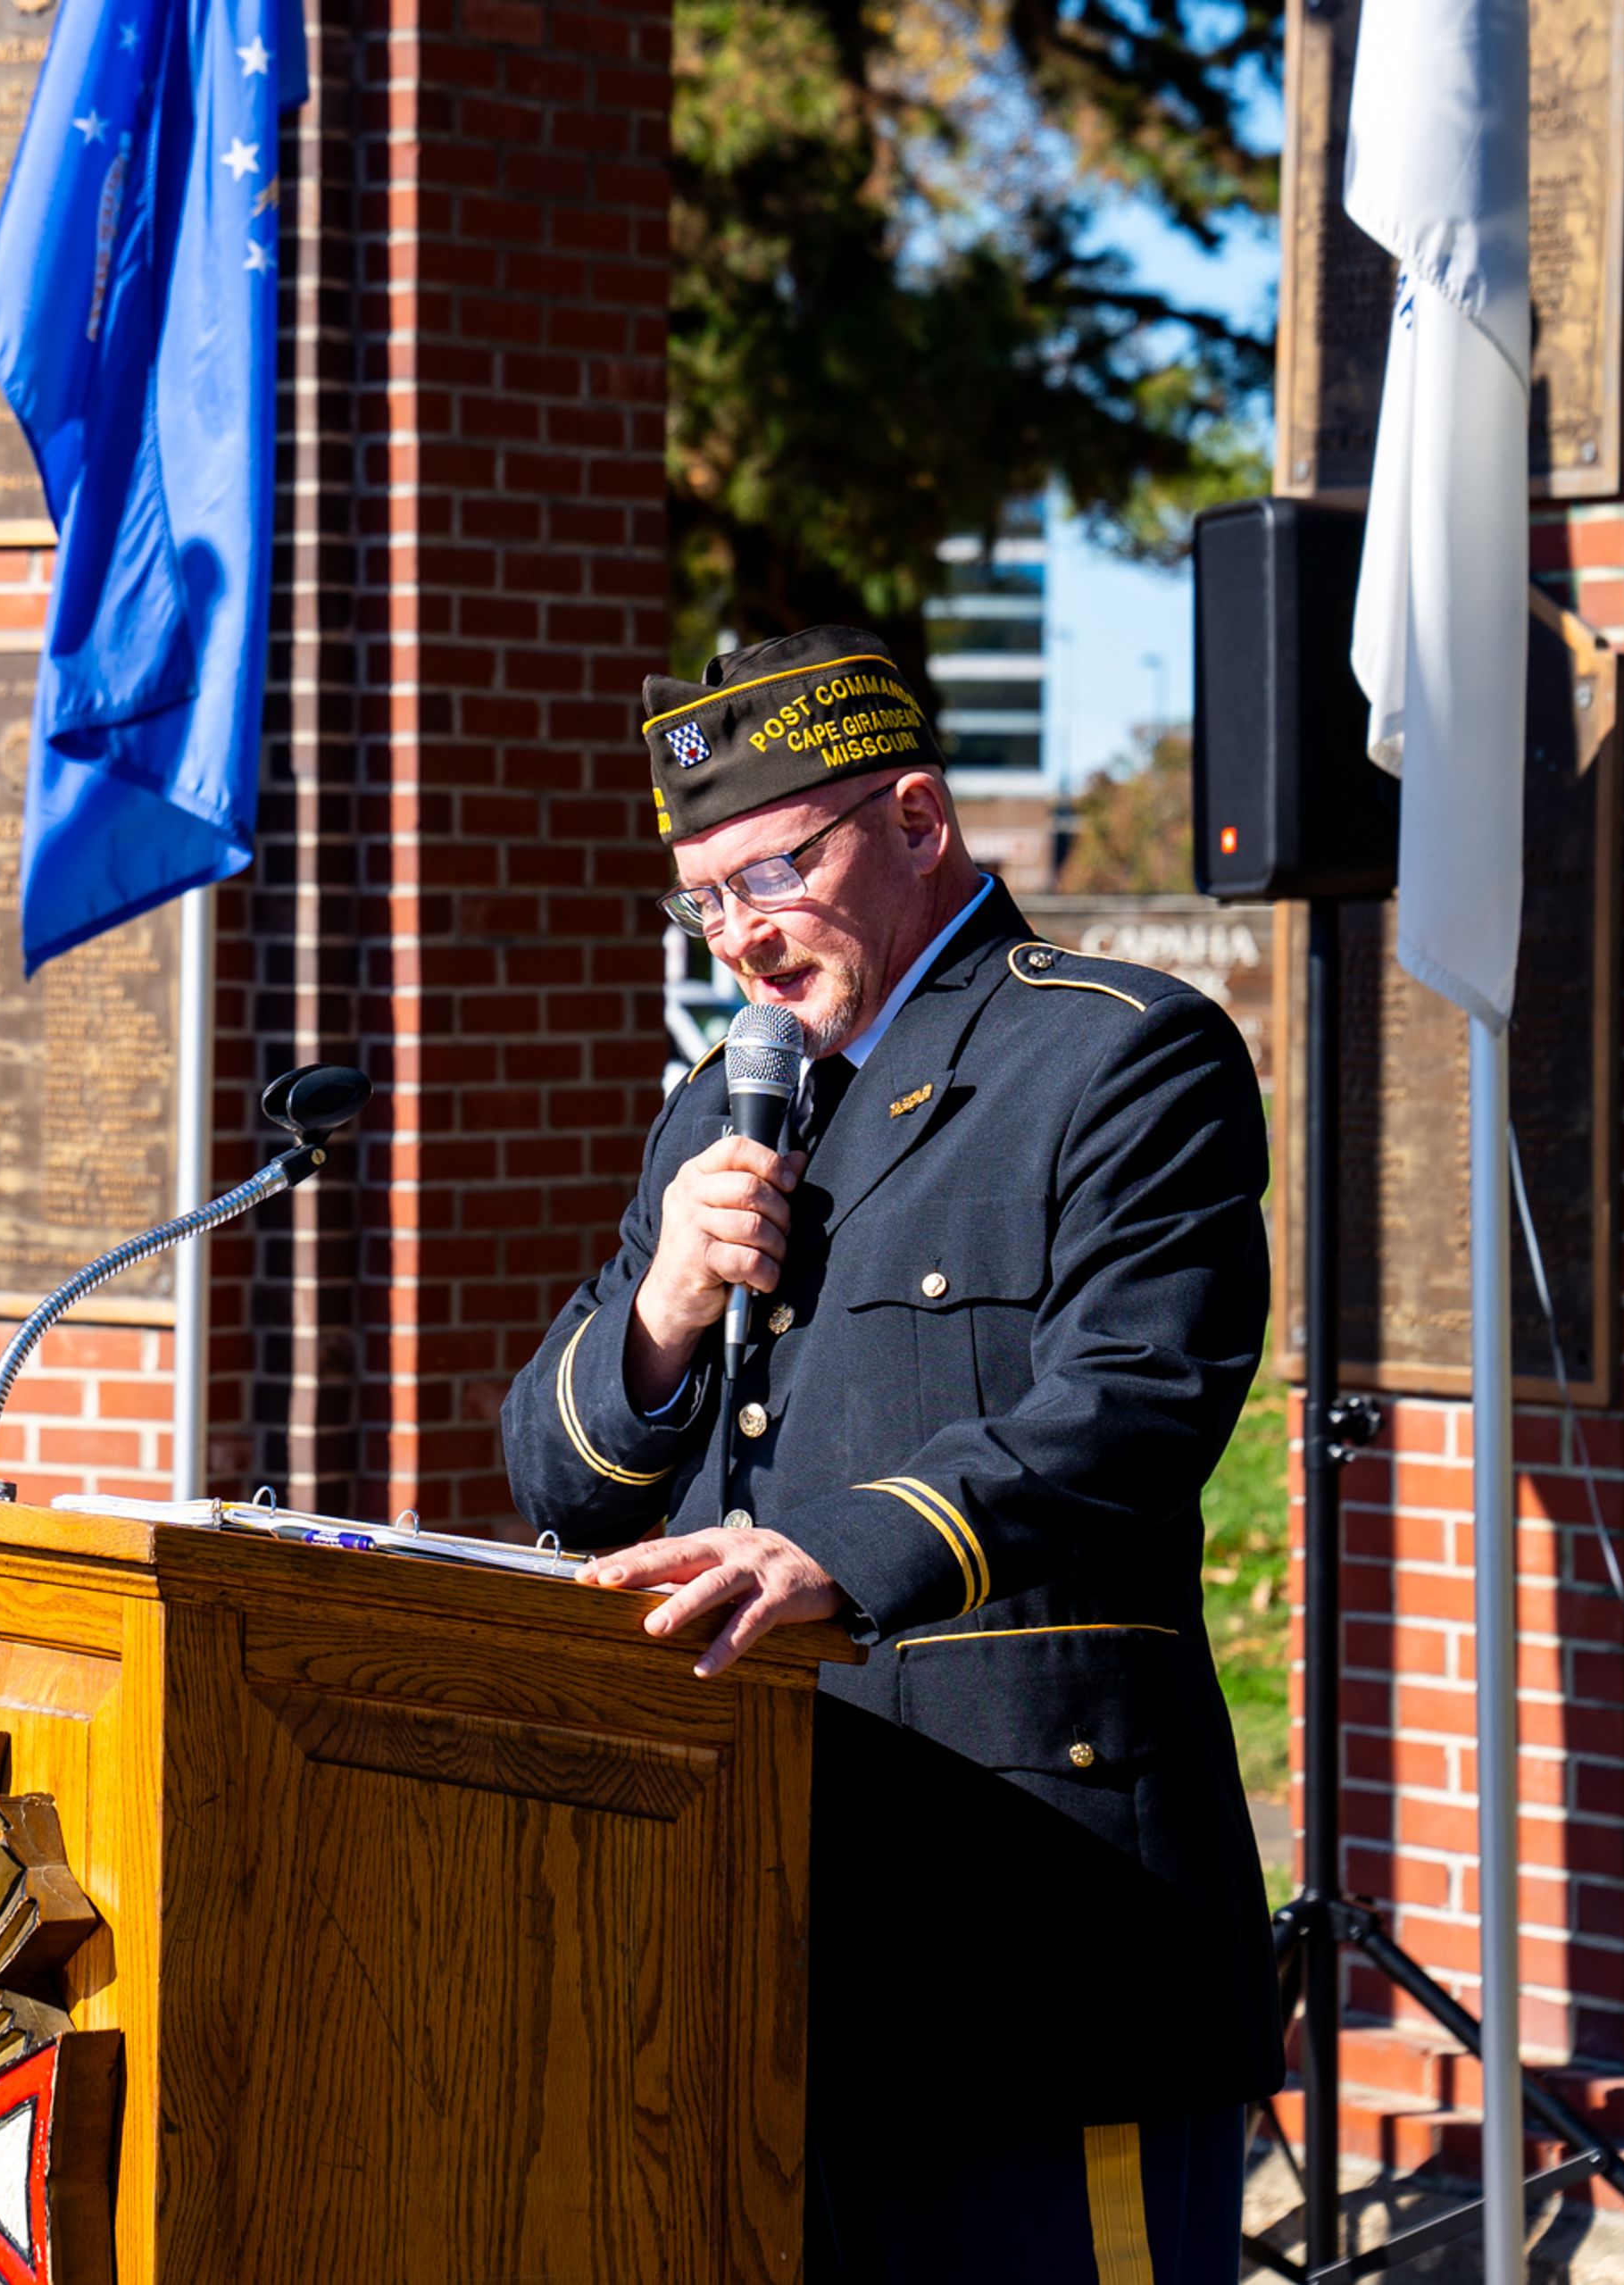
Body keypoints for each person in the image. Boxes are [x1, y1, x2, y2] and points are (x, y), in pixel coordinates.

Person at [499, 626, 1279, 2285]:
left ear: (919, 821)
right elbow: (564, 1481)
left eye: (776, 868)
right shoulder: (721, 1102)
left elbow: (1136, 1399)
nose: (740, 934)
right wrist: (663, 1296)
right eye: (703, 898)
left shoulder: (1116, 1054)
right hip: (752, 1934)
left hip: (1035, 1932)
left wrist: (836, 1554)